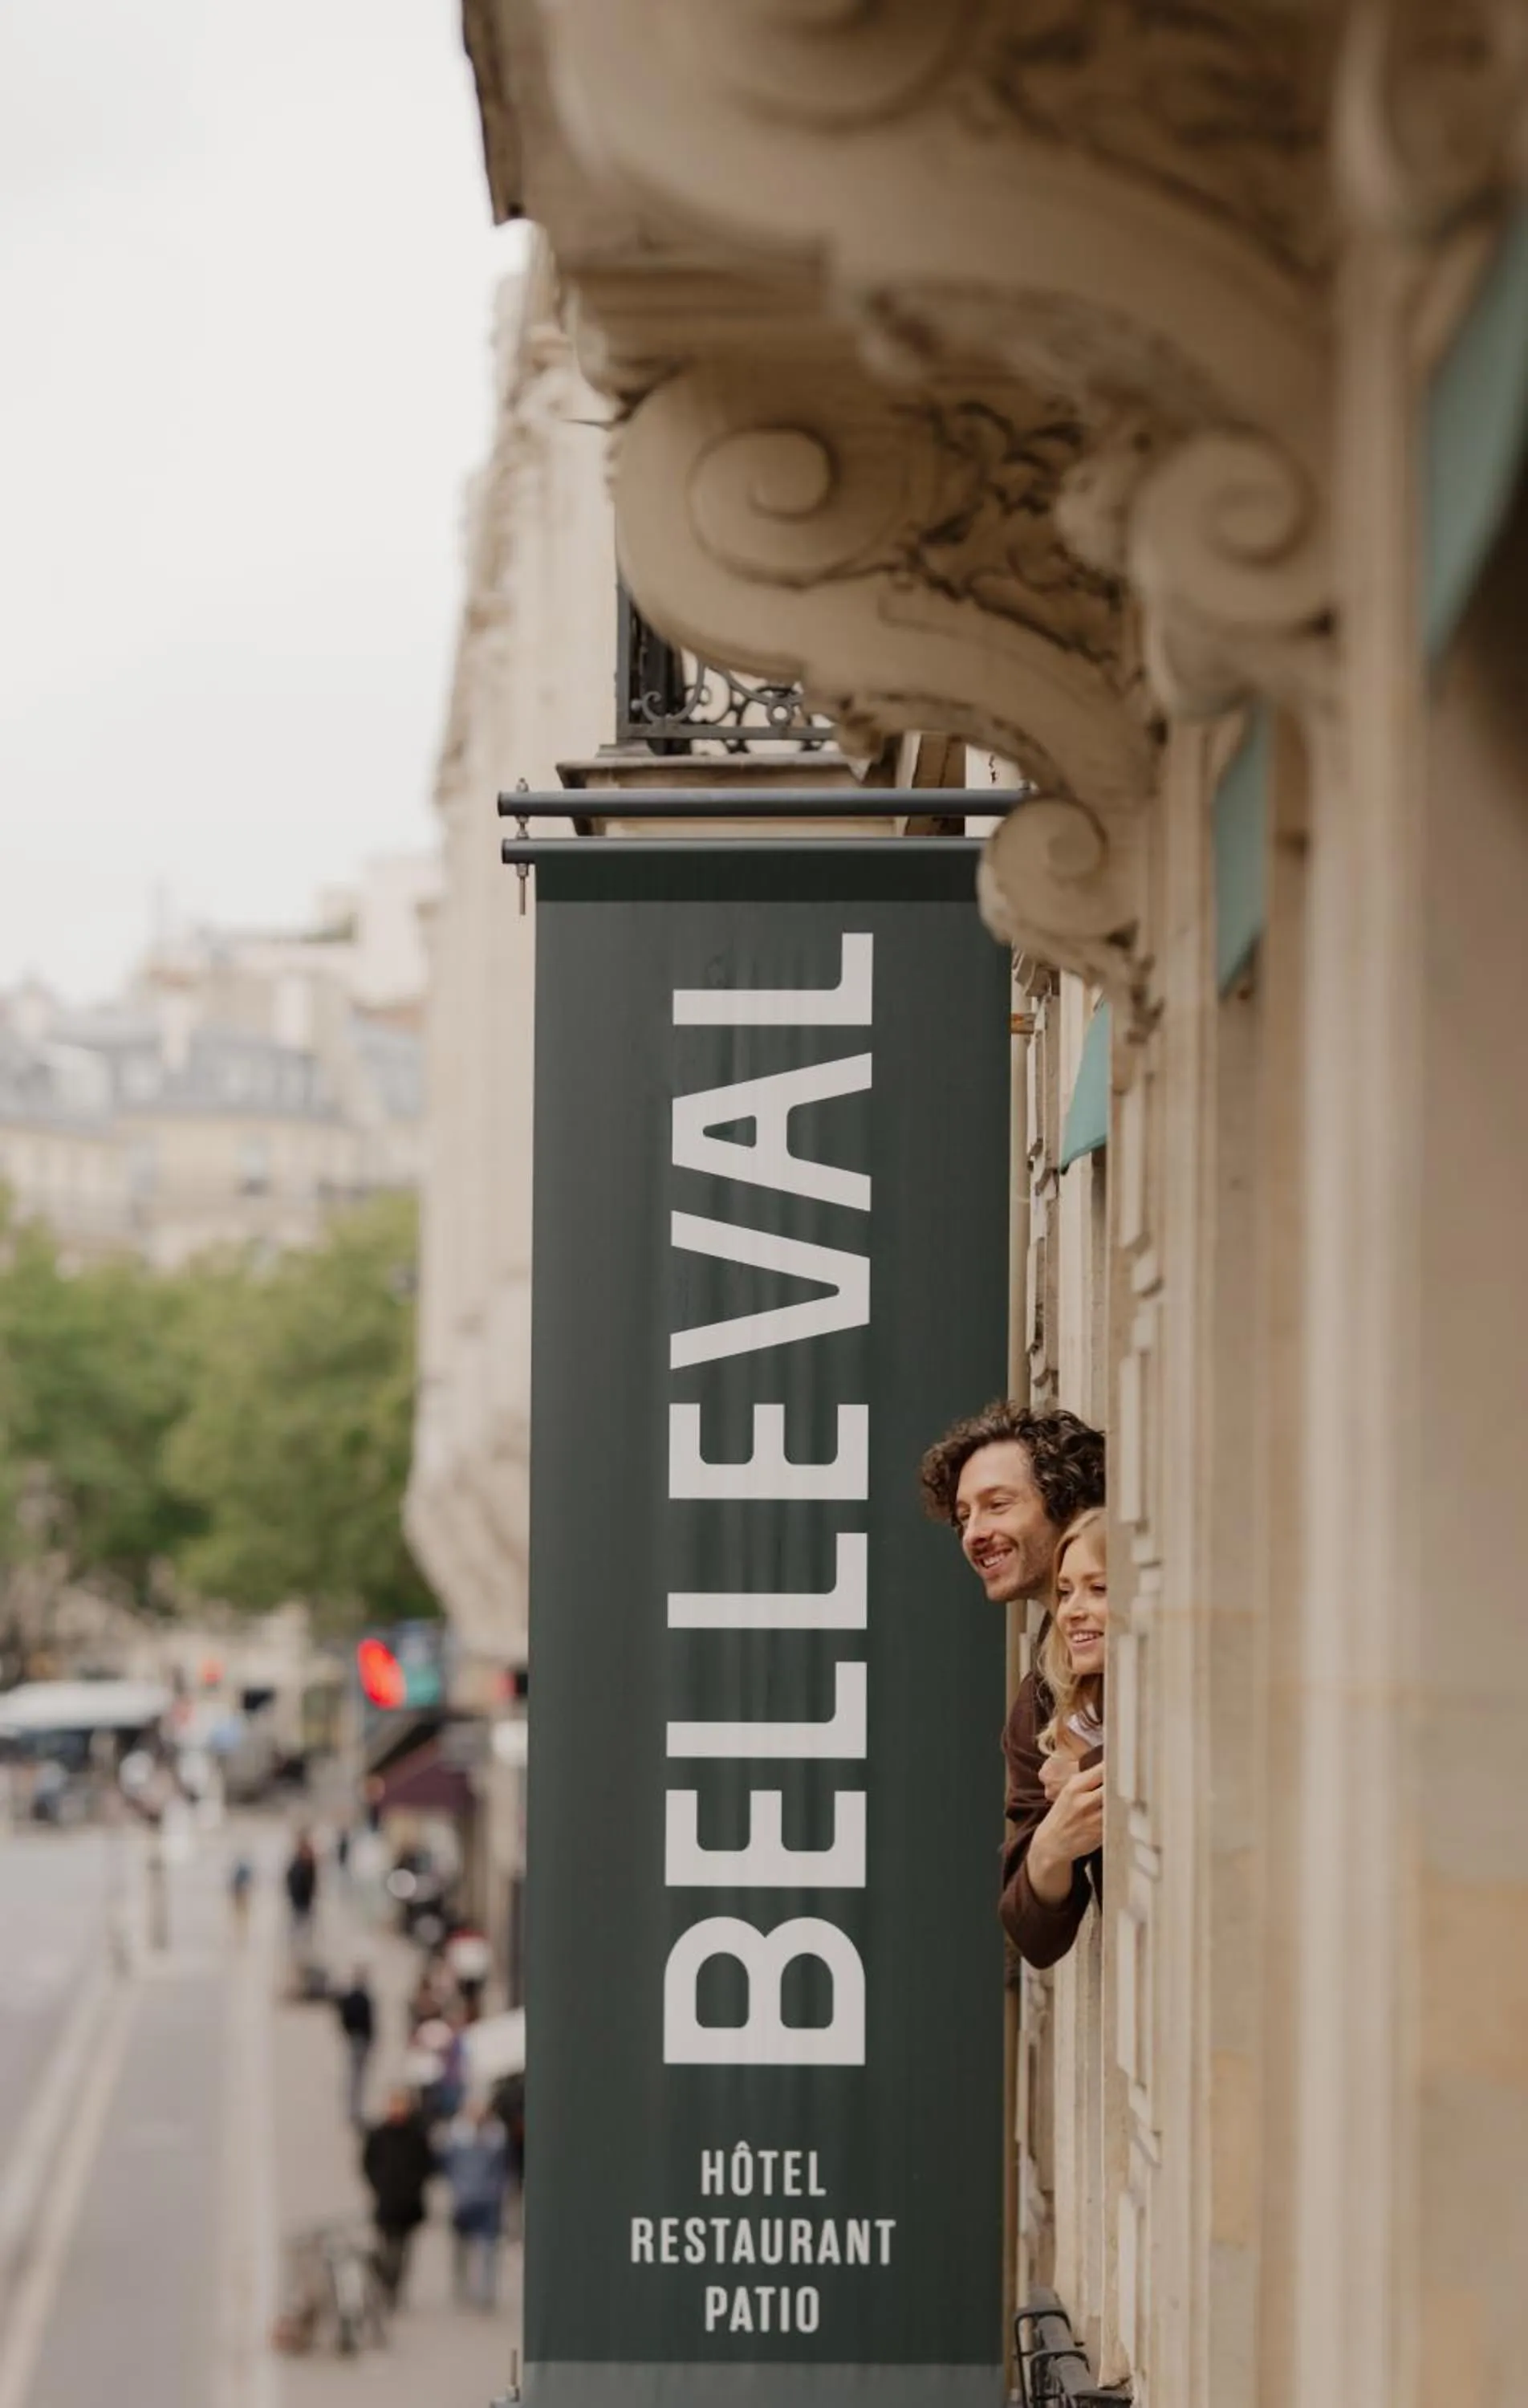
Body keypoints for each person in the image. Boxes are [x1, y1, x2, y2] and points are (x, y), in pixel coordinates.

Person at [919, 1401, 1106, 1969]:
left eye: (997, 1505)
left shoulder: (1162, 1617)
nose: (975, 1533)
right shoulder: (1037, 1708)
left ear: (1066, 1499)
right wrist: (1053, 1842)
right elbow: (1031, 1931)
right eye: (963, 1518)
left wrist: (1093, 1765)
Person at [361, 2089, 437, 2309]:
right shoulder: (378, 2134)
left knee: (402, 2251)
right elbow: (367, 2164)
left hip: (409, 2204)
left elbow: (427, 2165)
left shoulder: (417, 2134)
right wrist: (379, 2185)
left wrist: (414, 2185)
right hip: (386, 2202)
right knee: (386, 2249)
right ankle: (386, 2284)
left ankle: (394, 2290)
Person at [442, 2094, 510, 2309]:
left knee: (488, 2250)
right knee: (461, 2249)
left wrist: (497, 2191)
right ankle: (462, 2289)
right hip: (464, 2199)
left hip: (488, 2201)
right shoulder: (457, 2138)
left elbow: (505, 2170)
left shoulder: (496, 2138)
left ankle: (486, 2293)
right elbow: (448, 2167)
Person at [334, 1964, 376, 2128]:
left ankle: (355, 2110)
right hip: (358, 2039)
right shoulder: (356, 1998)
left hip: (361, 2040)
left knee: (358, 2077)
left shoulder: (363, 1997)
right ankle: (353, 2111)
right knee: (355, 2077)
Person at [283, 1829, 319, 1960]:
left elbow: (312, 1883)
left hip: (306, 1903)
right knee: (297, 1928)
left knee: (305, 1928)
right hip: (298, 1902)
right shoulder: (296, 1865)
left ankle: (304, 1953)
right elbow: (290, 1881)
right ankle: (297, 1954)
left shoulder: (310, 1865)